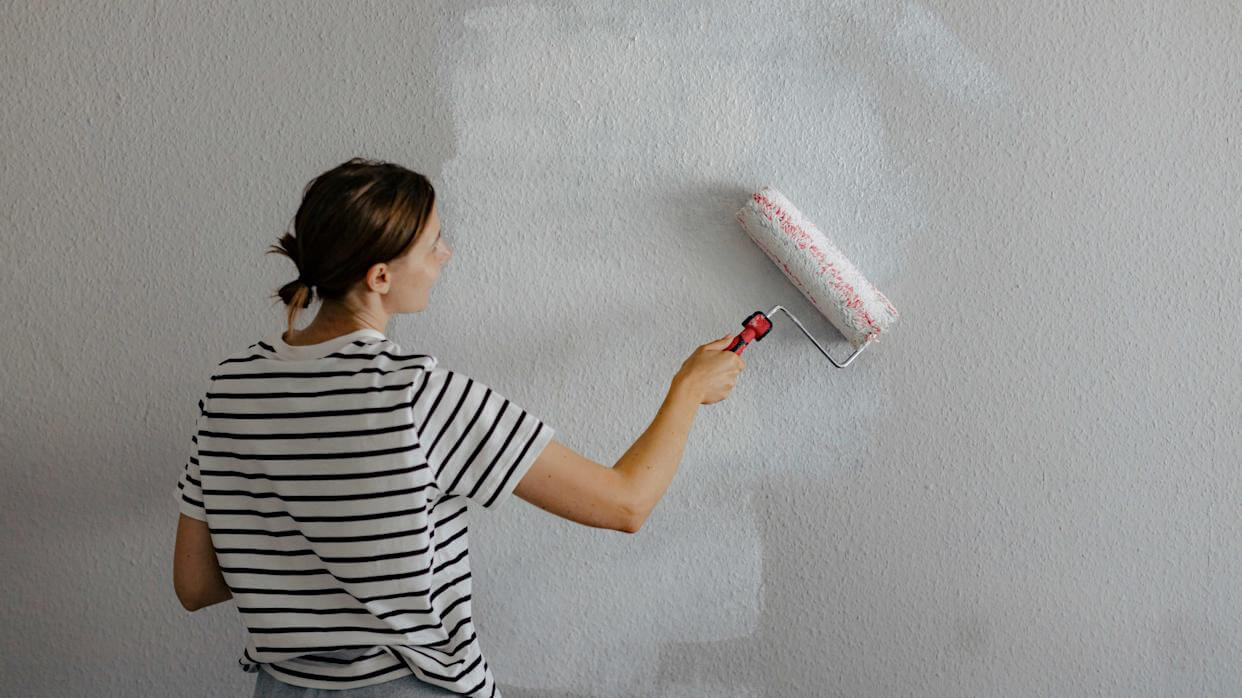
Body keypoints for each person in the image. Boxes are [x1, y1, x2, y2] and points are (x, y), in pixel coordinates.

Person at [172, 157, 746, 697]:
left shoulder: (232, 387)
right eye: (432, 245)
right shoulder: (416, 396)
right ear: (379, 277)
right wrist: (689, 389)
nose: (445, 254)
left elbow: (194, 586)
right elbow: (625, 504)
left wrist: (301, 569)